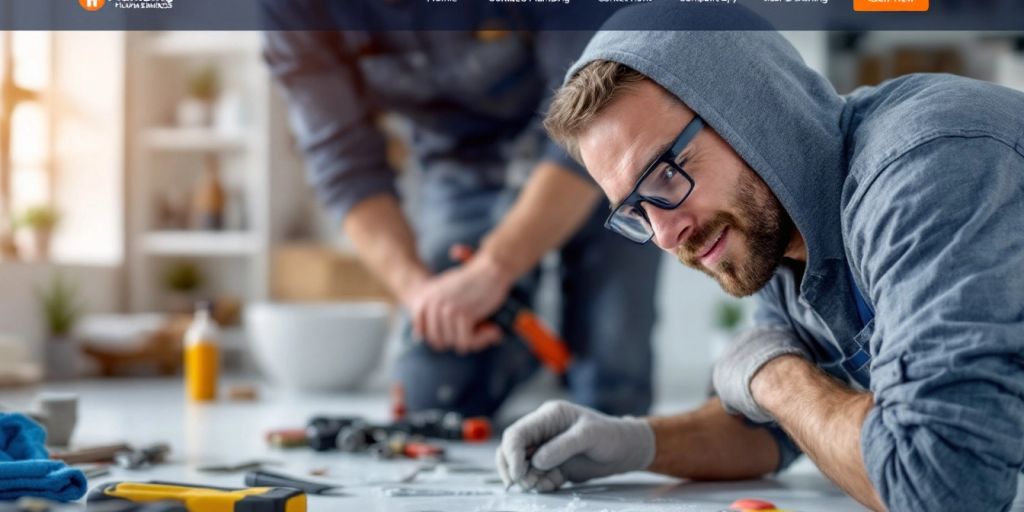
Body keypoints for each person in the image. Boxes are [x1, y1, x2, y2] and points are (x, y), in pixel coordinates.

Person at [495, 6, 1024, 511]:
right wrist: (634, 443)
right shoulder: (782, 236)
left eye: (664, 175)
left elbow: (944, 485)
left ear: (751, 107)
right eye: (635, 209)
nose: (663, 233)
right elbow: (777, 429)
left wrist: (771, 375)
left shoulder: (926, 171)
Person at [261, 1, 661, 418]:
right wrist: (422, 296)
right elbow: (344, 166)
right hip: (460, 166)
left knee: (613, 400)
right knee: (434, 402)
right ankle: (515, 347)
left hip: (594, 158)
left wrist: (495, 269)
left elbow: (597, 115)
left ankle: (553, 344)